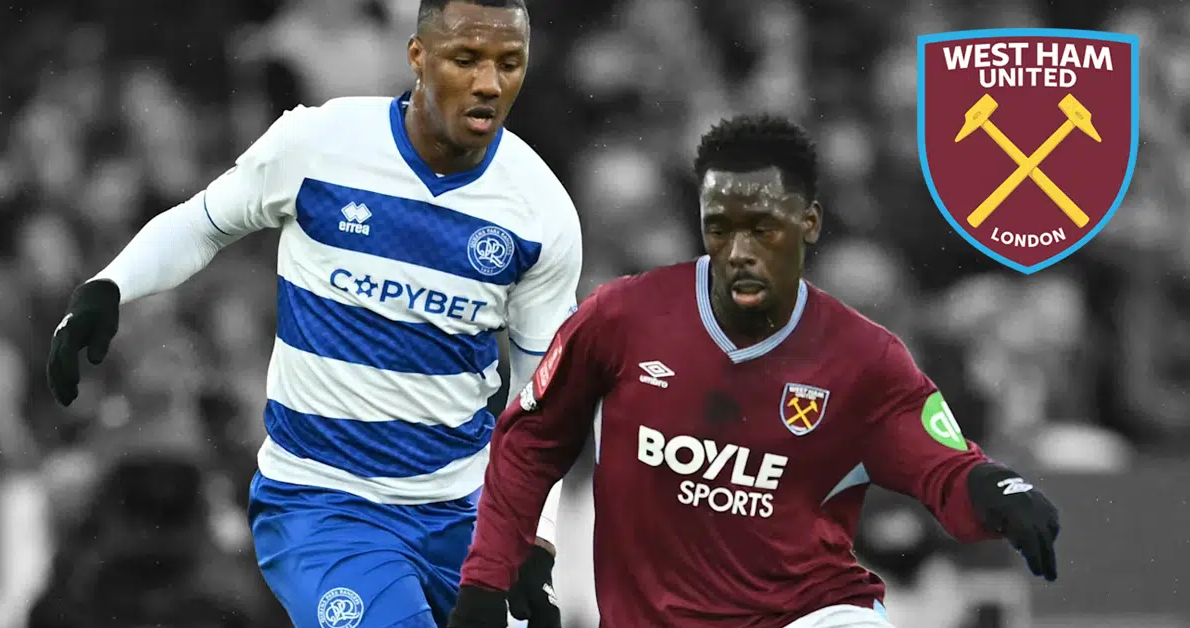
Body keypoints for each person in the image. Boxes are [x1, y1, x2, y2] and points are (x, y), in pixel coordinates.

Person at [45, 1, 572, 626]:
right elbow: (202, 223)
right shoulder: (321, 143)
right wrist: (109, 286)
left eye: (510, 63)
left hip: (464, 508)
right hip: (326, 504)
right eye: (466, 59)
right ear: (417, 56)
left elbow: (543, 398)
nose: (489, 83)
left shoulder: (539, 208)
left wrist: (536, 536)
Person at [447, 114, 1061, 628]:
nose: (739, 252)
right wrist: (489, 574)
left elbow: (944, 469)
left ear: (809, 223)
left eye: (763, 229)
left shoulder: (864, 359)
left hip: (810, 613)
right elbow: (530, 440)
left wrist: (996, 489)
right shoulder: (621, 319)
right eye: (720, 228)